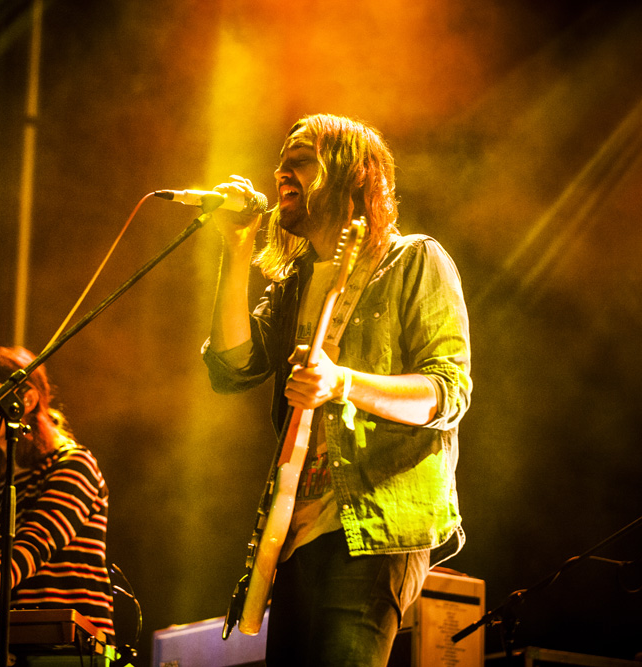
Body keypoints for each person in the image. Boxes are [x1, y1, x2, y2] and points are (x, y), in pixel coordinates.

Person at [203, 114, 471, 666]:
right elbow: (231, 367)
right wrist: (236, 246)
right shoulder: (297, 280)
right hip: (296, 535)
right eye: (282, 159)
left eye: (300, 158)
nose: (281, 170)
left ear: (352, 173)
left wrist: (342, 381)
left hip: (374, 525)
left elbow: (448, 391)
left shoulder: (415, 260)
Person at [0, 347, 115, 639]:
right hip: (10, 642)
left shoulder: (74, 465)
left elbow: (31, 548)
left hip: (73, 644)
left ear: (26, 399)